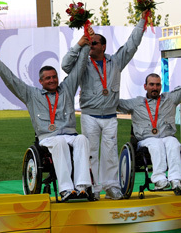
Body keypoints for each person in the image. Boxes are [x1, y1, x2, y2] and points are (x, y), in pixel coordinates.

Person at [0, 35, 92, 201]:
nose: (52, 80)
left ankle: (81, 187)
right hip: (48, 137)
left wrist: (85, 43)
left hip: (70, 134)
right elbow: (11, 80)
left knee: (82, 139)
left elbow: (79, 67)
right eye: (48, 78)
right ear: (41, 81)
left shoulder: (67, 88)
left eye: (54, 77)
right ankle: (66, 189)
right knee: (59, 142)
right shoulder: (32, 94)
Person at [61, 14, 146, 200]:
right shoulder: (83, 62)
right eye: (89, 43)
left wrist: (142, 21)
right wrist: (79, 44)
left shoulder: (115, 61)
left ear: (103, 46)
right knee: (90, 153)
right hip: (89, 115)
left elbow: (132, 45)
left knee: (110, 154)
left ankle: (111, 186)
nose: (91, 46)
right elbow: (65, 65)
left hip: (110, 116)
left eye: (94, 44)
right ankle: (93, 188)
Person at [118, 73, 181, 192]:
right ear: (145, 86)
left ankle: (176, 179)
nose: (155, 88)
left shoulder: (170, 99)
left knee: (174, 143)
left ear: (161, 86)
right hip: (146, 139)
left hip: (167, 136)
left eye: (158, 85)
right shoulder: (136, 103)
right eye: (151, 84)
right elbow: (116, 103)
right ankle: (159, 179)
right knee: (156, 144)